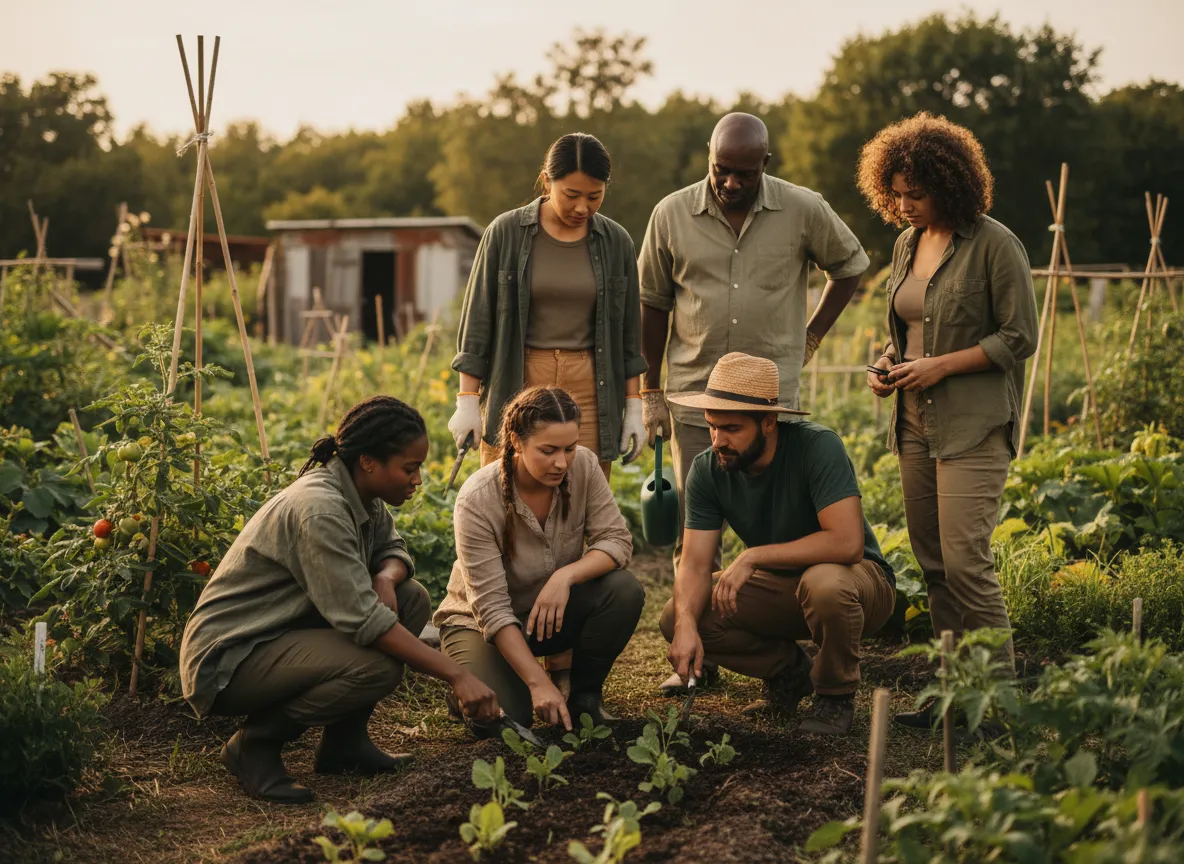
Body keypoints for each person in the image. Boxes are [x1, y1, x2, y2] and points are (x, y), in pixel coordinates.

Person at [637, 113, 870, 691]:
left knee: (790, 513)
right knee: (699, 522)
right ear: (707, 157)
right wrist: (649, 391)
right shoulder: (671, 214)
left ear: (765, 164)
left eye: (743, 173)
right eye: (721, 170)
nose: (731, 183)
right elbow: (652, 303)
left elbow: (851, 266)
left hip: (772, 394)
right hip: (697, 396)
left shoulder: (802, 208)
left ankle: (799, 623)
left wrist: (811, 336)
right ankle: (702, 656)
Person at [179, 397, 500, 804]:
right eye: (409, 468)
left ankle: (345, 745)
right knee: (376, 667)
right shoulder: (322, 510)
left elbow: (395, 549)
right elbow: (365, 622)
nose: (417, 480)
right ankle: (254, 745)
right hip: (232, 655)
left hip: (284, 629)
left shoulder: (362, 494)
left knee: (410, 598)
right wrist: (459, 675)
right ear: (368, 462)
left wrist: (385, 577)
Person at [857, 112, 1038, 728]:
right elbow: (907, 331)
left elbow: (1020, 336)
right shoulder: (907, 244)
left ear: (951, 184)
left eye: (918, 193)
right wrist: (890, 364)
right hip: (913, 424)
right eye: (897, 193)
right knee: (932, 564)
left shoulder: (994, 244)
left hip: (972, 425)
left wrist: (941, 368)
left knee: (966, 561)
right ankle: (952, 694)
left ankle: (998, 700)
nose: (904, 204)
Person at [661, 353, 896, 735]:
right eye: (712, 427)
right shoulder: (708, 468)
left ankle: (834, 694)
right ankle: (789, 674)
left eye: (732, 428)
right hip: (784, 586)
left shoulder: (817, 447)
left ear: (769, 422)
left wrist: (754, 556)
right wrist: (686, 624)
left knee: (824, 583)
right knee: (677, 614)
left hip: (859, 584)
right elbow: (694, 566)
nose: (719, 440)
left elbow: (848, 543)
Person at [435, 386, 644, 733]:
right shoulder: (477, 499)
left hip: (546, 615)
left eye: (569, 448)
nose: (561, 462)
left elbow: (616, 541)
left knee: (623, 590)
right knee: (505, 720)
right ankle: (464, 684)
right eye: (548, 450)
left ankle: (585, 699)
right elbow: (492, 609)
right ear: (516, 441)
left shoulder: (585, 468)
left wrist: (565, 578)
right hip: (480, 625)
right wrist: (538, 684)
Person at [448, 132, 647, 479]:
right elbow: (478, 323)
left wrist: (634, 406)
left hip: (591, 387)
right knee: (508, 492)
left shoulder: (617, 242)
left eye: (594, 196)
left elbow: (630, 336)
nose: (582, 207)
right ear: (546, 181)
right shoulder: (505, 233)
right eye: (571, 195)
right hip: (519, 380)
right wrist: (467, 400)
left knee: (582, 496)